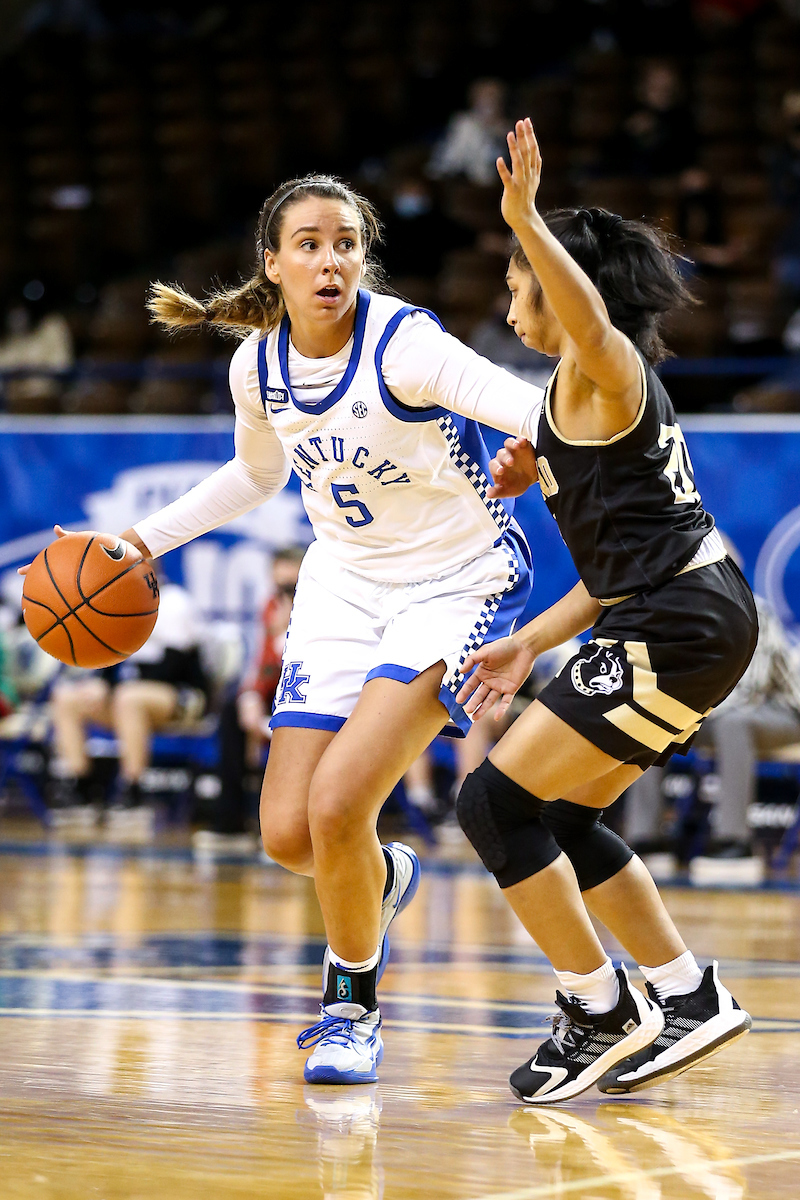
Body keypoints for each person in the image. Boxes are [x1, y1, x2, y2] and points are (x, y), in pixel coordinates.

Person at [46, 172, 543, 1085]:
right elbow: (254, 475)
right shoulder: (256, 365)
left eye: (346, 242)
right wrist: (139, 543)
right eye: (309, 244)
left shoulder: (406, 344)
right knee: (288, 837)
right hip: (344, 587)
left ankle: (351, 1010)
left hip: (456, 581)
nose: (331, 260)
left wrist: (528, 456)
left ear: (363, 257)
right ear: (273, 264)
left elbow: (542, 411)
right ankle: (382, 880)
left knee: (339, 804)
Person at [454, 120, 758, 1104]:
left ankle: (596, 1008)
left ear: (560, 285)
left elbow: (585, 318)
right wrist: (524, 643)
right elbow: (609, 570)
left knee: (492, 804)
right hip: (681, 610)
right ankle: (682, 993)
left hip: (676, 619)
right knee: (562, 814)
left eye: (516, 280)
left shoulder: (607, 364)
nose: (509, 298)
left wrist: (524, 218)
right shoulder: (565, 402)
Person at [627, 594, 800, 864]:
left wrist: (682, 710)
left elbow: (748, 692)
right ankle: (646, 838)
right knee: (651, 718)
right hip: (715, 709)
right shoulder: (675, 610)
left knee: (734, 725)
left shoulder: (752, 609)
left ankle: (734, 841)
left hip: (784, 710)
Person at [49, 572, 208, 826]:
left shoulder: (175, 602)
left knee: (128, 697)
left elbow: (172, 669)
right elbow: (109, 660)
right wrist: (101, 684)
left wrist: (112, 687)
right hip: (128, 696)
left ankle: (133, 789)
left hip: (181, 695)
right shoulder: (115, 603)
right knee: (66, 697)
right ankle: (81, 787)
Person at [193, 545, 305, 856]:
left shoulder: (320, 606)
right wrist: (251, 696)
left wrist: (285, 628)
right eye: (279, 585)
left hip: (310, 688)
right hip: (277, 689)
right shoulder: (269, 606)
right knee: (232, 711)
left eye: (291, 586)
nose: (284, 593)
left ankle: (294, 832)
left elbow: (302, 660)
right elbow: (264, 662)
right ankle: (230, 822)